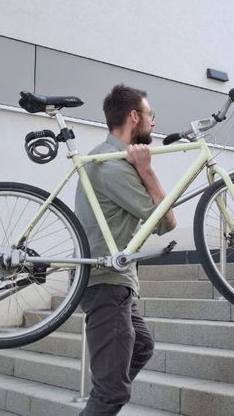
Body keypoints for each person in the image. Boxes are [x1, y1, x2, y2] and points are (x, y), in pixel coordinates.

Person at [73, 84, 177, 415]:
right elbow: (166, 222)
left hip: (114, 284)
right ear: (134, 116)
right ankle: (106, 393)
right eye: (150, 115)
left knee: (141, 346)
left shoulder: (104, 157)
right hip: (106, 283)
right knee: (111, 393)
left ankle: (107, 386)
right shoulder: (114, 167)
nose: (154, 123)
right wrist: (146, 170)